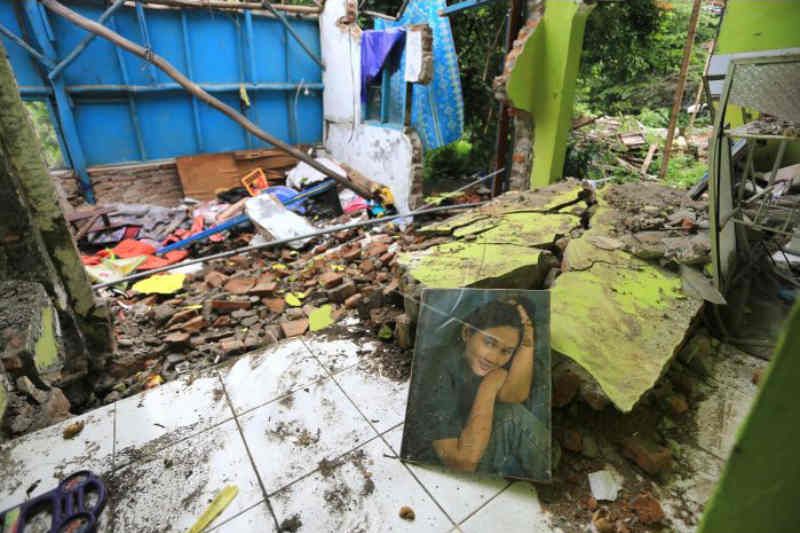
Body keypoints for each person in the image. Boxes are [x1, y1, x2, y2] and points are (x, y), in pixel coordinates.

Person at [408, 299, 547, 479]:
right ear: (467, 333)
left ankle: (548, 464)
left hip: (464, 441)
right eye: (489, 342)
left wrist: (527, 339)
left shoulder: (477, 360)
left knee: (512, 411)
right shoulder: (436, 367)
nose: (493, 358)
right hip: (434, 464)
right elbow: (461, 462)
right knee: (514, 418)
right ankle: (554, 471)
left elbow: (514, 395)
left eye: (506, 351)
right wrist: (488, 387)